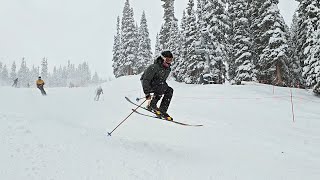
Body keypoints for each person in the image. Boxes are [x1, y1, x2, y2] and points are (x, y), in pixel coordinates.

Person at [140, 50, 174, 120]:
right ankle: (152, 104)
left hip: (158, 85)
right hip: (147, 83)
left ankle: (162, 110)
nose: (169, 62)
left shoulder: (167, 69)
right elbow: (146, 79)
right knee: (162, 85)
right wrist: (147, 93)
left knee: (169, 90)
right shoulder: (154, 67)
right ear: (163, 58)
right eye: (167, 59)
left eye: (171, 60)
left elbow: (163, 81)